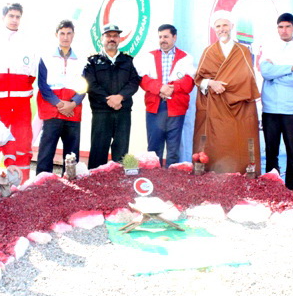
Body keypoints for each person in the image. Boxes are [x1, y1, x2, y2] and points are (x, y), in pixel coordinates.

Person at [193, 11, 261, 174]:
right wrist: (212, 83)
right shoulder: (209, 51)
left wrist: (230, 89)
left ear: (231, 27)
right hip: (215, 106)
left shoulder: (242, 50)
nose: (222, 29)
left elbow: (248, 79)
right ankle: (212, 173)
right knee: (216, 143)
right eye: (218, 26)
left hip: (238, 105)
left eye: (225, 25)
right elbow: (199, 79)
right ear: (214, 29)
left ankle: (241, 172)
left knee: (238, 142)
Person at [0, 3, 36, 183]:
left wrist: (20, 90)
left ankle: (22, 185)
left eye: (18, 16)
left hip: (21, 103)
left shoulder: (28, 42)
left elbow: (32, 74)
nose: (14, 20)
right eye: (11, 16)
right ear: (3, 17)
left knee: (22, 143)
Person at [260, 13, 293, 189]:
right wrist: (289, 68)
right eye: (281, 27)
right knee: (271, 151)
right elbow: (266, 72)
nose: (284, 30)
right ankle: (271, 186)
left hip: (292, 109)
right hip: (270, 109)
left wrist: (276, 75)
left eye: (288, 26)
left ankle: (292, 188)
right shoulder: (269, 47)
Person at [136, 24, 195, 167]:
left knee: (173, 149)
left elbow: (190, 81)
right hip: (155, 108)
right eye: (160, 37)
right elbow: (142, 80)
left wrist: (174, 88)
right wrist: (160, 88)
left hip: (176, 108)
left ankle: (171, 178)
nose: (162, 40)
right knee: (153, 149)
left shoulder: (186, 57)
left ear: (174, 37)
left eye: (166, 36)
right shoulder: (149, 56)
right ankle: (154, 178)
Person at [84, 24, 140, 169]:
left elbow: (134, 82)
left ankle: (118, 181)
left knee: (121, 153)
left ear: (119, 39)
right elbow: (90, 84)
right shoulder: (92, 61)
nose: (112, 39)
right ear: (102, 38)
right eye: (108, 36)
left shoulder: (128, 61)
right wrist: (108, 100)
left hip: (123, 112)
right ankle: (95, 181)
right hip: (101, 112)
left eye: (115, 36)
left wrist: (120, 97)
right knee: (98, 152)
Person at [36, 20, 86, 175]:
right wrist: (59, 104)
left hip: (73, 111)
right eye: (62, 33)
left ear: (73, 35)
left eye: (69, 33)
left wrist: (73, 103)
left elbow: (84, 86)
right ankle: (41, 183)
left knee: (72, 154)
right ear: (56, 35)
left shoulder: (81, 59)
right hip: (52, 110)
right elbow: (43, 85)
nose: (65, 37)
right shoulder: (46, 57)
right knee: (46, 151)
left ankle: (70, 184)